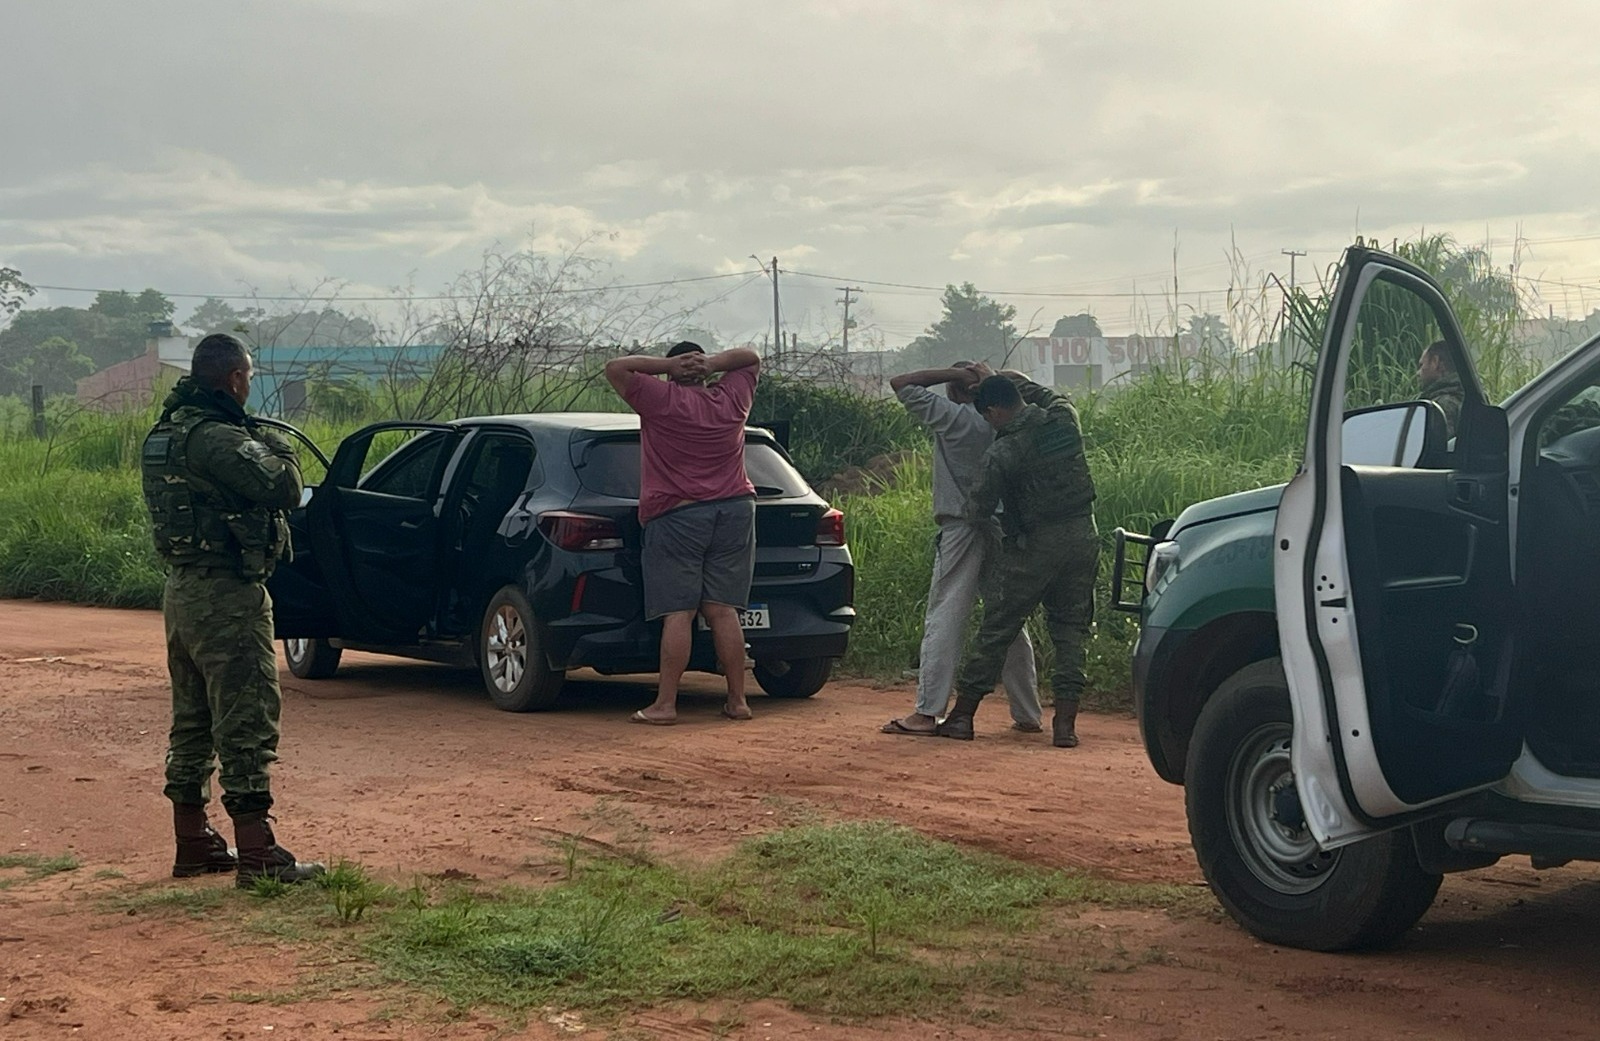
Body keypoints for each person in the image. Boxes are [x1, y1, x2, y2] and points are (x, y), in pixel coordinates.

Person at [139, 333, 324, 887]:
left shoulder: (166, 434)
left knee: (192, 722)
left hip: (183, 592)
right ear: (234, 379)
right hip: (228, 596)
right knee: (245, 718)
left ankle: (193, 842)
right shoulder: (218, 437)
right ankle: (257, 850)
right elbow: (285, 487)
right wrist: (279, 446)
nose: (249, 383)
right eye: (247, 375)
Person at [937, 369, 1099, 748]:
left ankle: (962, 716)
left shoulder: (1002, 451)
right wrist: (1002, 377)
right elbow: (1048, 395)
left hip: (1034, 547)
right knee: (1071, 630)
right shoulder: (1064, 419)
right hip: (1082, 535)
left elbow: (977, 509)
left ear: (993, 411)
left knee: (999, 628)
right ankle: (1065, 725)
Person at [878, 362, 1041, 736]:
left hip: (960, 524)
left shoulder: (953, 419)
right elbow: (1031, 393)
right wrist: (989, 378)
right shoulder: (1009, 421)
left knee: (947, 611)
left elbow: (902, 382)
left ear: (959, 390)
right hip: (1005, 525)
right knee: (1008, 617)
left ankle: (927, 711)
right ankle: (1028, 713)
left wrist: (948, 371)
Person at [605, 340, 762, 725]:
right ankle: (738, 701)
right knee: (724, 609)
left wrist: (669, 365)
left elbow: (615, 368)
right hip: (736, 509)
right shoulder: (731, 400)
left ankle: (666, 705)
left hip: (678, 514)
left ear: (670, 371)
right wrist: (709, 363)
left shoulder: (661, 400)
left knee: (679, 612)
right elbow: (751, 357)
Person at [1417, 340, 1464, 439]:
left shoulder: (1442, 406)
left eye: (1421, 365)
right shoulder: (1465, 397)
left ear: (1435, 362)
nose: (1418, 373)